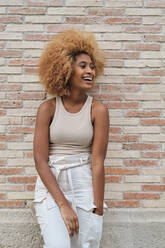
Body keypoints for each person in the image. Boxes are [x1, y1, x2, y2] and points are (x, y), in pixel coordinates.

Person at [33, 29, 109, 248]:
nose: (90, 71)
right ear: (65, 68)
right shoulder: (47, 109)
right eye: (83, 65)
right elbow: (40, 161)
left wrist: (99, 209)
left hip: (84, 181)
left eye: (92, 66)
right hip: (52, 183)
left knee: (87, 245)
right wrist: (63, 204)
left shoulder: (98, 110)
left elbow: (97, 162)